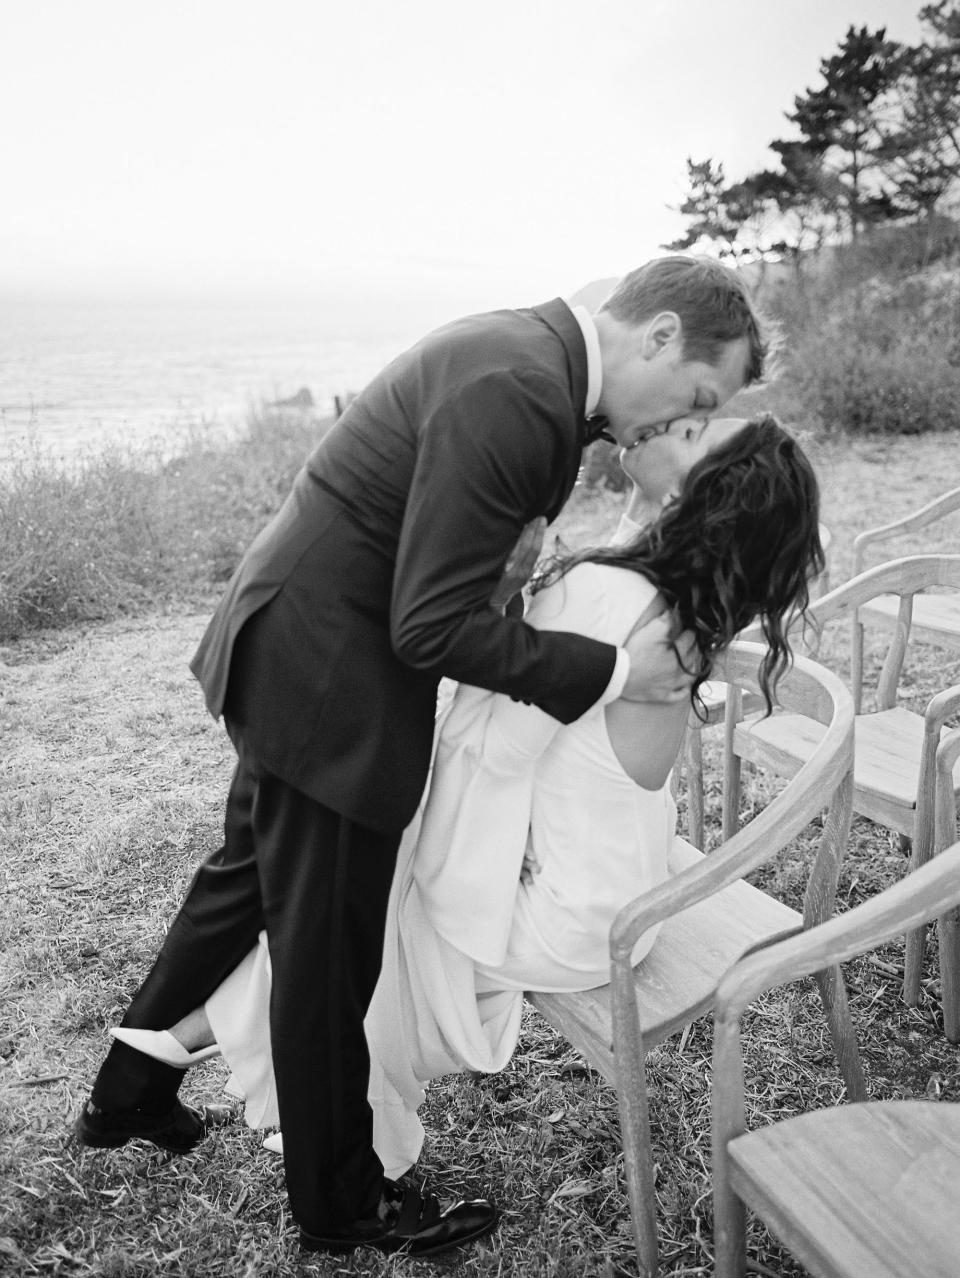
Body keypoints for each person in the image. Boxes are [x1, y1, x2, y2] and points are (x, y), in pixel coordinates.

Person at [73, 255, 766, 1259]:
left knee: (245, 880)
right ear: (658, 335)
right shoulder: (524, 389)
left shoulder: (530, 365)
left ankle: (128, 1089)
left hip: (295, 644)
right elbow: (431, 624)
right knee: (329, 953)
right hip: (328, 683)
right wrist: (615, 673)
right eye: (696, 399)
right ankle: (342, 1199)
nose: (674, 423)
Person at [109, 413, 823, 1188]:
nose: (679, 418)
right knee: (361, 903)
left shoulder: (608, 596)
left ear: (698, 494)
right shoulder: (678, 603)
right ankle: (185, 1053)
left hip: (572, 917)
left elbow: (495, 744)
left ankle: (201, 1054)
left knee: (358, 914)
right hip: (624, 895)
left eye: (699, 430)